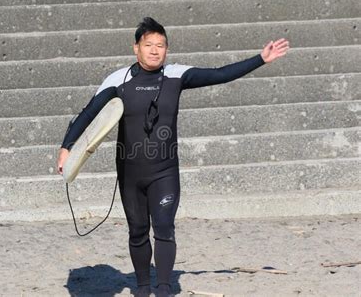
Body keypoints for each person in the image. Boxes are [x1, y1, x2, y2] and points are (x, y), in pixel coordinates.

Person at [57, 17, 289, 297]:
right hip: (130, 173)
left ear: (166, 49)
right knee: (138, 231)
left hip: (164, 171)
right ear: (136, 48)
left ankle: (165, 288)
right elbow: (88, 113)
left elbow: (221, 73)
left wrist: (260, 59)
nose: (155, 50)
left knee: (164, 226)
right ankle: (143, 287)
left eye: (161, 45)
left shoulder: (177, 75)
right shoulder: (118, 80)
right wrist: (67, 148)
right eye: (149, 45)